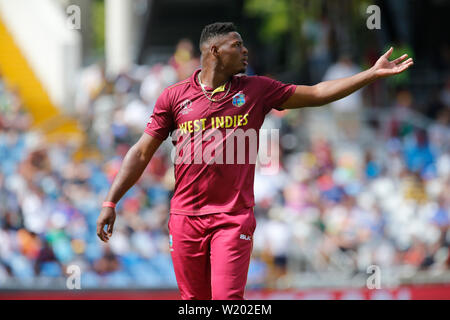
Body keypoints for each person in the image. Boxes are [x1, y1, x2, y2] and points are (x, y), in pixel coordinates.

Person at [96, 22, 413, 300]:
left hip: (232, 219)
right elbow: (140, 152)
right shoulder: (174, 96)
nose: (245, 51)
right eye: (237, 45)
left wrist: (371, 74)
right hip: (185, 219)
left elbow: (317, 93)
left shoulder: (257, 90)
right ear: (215, 51)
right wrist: (111, 202)